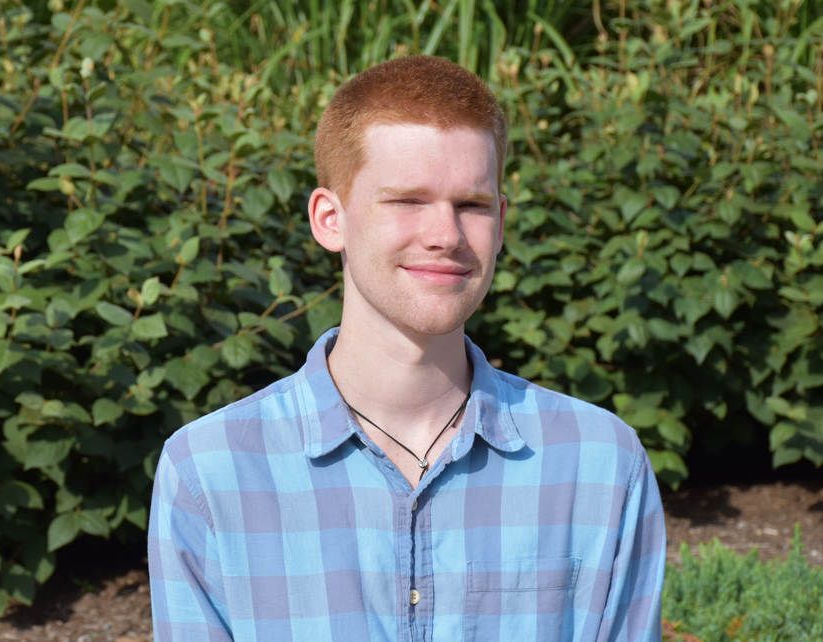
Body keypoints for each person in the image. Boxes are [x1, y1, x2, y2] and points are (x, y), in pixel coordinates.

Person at [149, 55, 665, 642]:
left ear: (500, 221)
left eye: (471, 205)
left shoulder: (600, 466)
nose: (445, 235)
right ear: (329, 219)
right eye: (407, 201)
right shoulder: (210, 474)